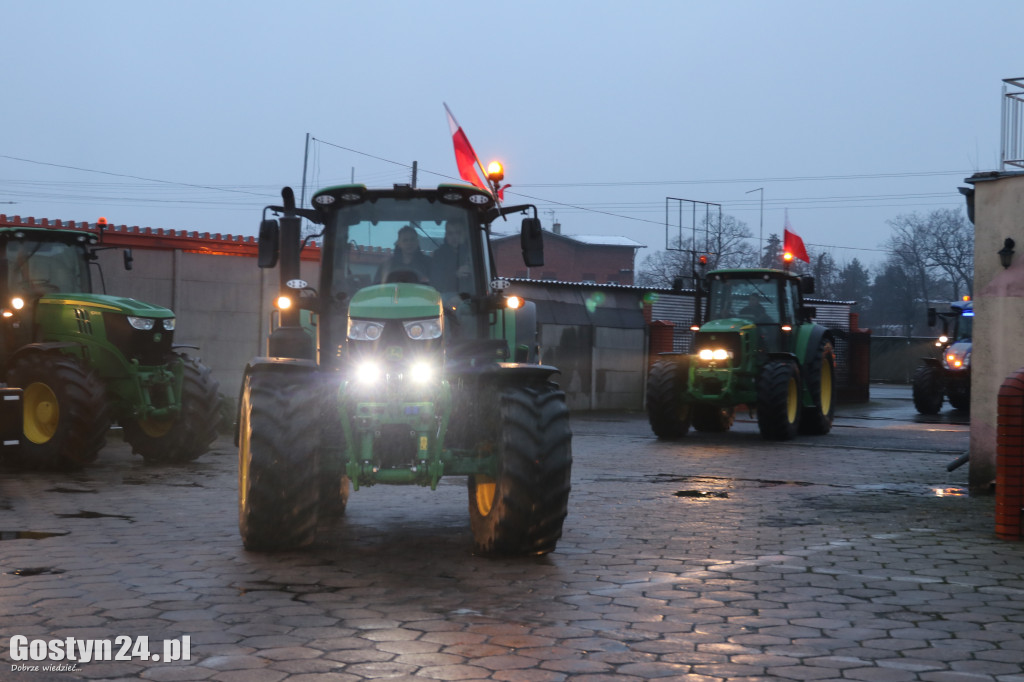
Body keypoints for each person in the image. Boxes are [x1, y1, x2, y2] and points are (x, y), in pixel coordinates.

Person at [430, 220, 472, 293]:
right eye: (450, 233)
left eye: (458, 233)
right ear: (446, 235)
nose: (454, 237)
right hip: (446, 296)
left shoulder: (474, 252)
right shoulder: (439, 254)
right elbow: (436, 281)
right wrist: (456, 274)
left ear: (465, 233)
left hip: (471, 296)